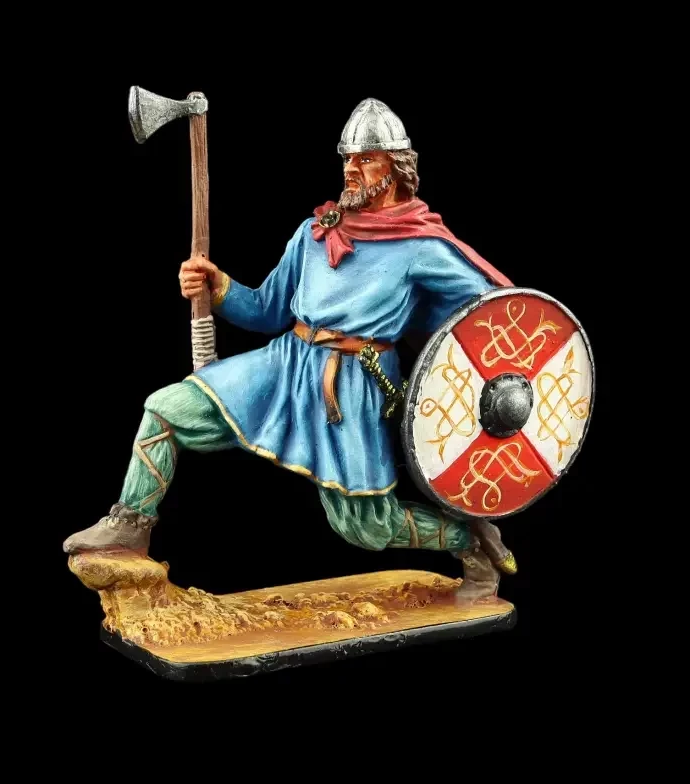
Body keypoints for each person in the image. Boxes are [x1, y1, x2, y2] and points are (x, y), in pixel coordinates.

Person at [63, 98, 516, 602]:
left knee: (366, 528)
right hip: (285, 365)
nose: (351, 168)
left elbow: (495, 313)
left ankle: (470, 542)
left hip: (348, 388)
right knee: (166, 410)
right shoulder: (315, 232)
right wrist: (217, 287)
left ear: (396, 169)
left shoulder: (422, 247)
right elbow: (266, 310)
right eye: (347, 158)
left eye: (366, 159)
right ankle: (130, 525)